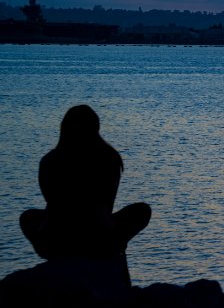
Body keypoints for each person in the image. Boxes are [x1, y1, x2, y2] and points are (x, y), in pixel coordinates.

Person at [19, 105, 151, 276]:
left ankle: (59, 255)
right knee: (141, 210)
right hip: (96, 238)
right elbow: (104, 208)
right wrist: (114, 235)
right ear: (96, 127)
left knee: (28, 217)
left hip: (58, 237)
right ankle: (106, 251)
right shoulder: (108, 158)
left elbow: (52, 205)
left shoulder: (49, 161)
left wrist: (48, 228)